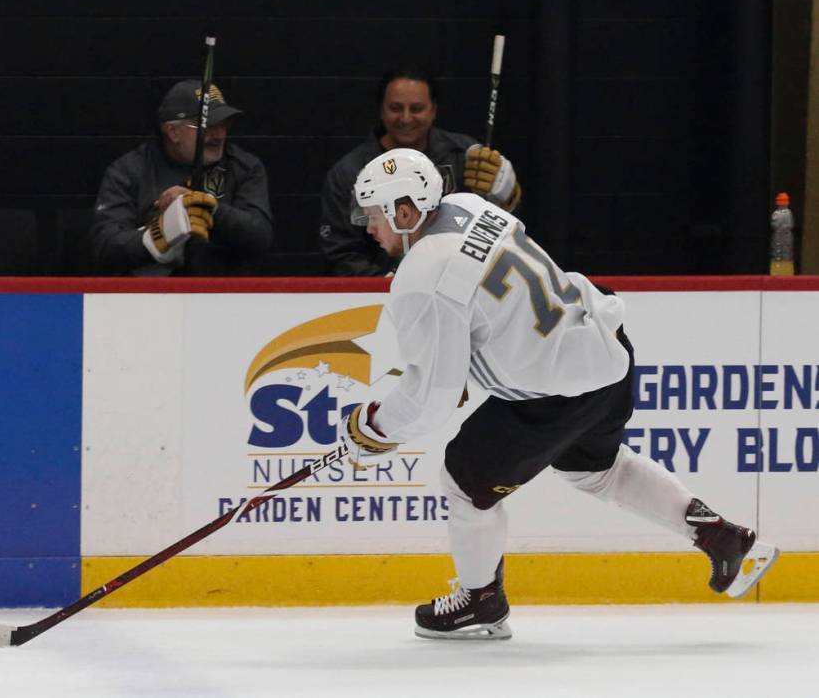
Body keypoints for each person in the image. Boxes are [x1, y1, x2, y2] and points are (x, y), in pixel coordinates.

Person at [340, 148, 779, 640]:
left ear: (405, 213)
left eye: (373, 214)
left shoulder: (419, 276)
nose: (367, 227)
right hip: (606, 348)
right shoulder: (472, 205)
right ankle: (718, 534)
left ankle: (481, 600)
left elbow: (431, 399)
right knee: (594, 469)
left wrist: (372, 427)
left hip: (553, 391)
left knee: (464, 482)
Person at [320, 70, 521, 276]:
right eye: (396, 108)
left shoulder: (465, 156)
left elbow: (495, 231)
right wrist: (385, 286)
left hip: (457, 283)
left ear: (433, 110)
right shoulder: (349, 173)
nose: (406, 118)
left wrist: (505, 194)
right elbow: (342, 253)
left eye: (416, 108)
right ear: (381, 109)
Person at [91, 79, 274, 276]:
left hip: (223, 295)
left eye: (224, 124)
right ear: (173, 132)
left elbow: (260, 237)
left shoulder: (244, 167)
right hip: (150, 298)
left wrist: (209, 208)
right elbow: (105, 247)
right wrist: (159, 235)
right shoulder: (128, 171)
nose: (219, 134)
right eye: (208, 126)